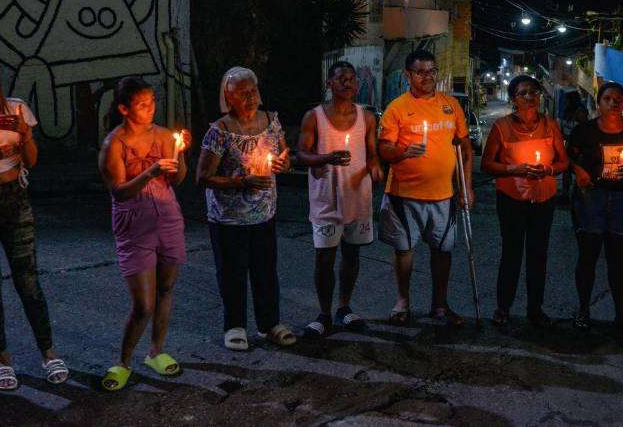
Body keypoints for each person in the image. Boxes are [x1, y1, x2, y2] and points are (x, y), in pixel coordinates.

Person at [0, 44, 68, 391]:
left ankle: (48, 353)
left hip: (15, 199)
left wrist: (24, 134)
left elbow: (32, 160)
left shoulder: (15, 108)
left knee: (28, 280)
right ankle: (2, 359)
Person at [98, 77, 191, 391]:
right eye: (142, 104)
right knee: (144, 305)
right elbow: (119, 192)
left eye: (151, 102)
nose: (150, 108)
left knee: (166, 289)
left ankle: (156, 351)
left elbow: (177, 179)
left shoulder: (163, 135)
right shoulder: (114, 144)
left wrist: (180, 152)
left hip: (168, 219)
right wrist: (150, 172)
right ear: (124, 109)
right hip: (134, 224)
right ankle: (123, 361)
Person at [196, 66, 296, 351]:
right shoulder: (220, 131)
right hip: (229, 218)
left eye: (253, 91)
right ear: (229, 97)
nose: (251, 98)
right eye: (242, 93)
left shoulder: (271, 121)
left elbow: (284, 155)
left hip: (264, 213)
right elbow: (203, 178)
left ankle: (270, 324)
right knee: (232, 273)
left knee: (265, 271)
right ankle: (235, 326)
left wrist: (283, 164)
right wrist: (242, 181)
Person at [378, 49, 473, 327]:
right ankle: (402, 302)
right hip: (404, 194)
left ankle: (440, 305)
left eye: (431, 71)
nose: (427, 77)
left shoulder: (450, 105)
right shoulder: (397, 108)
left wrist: (466, 186)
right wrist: (403, 151)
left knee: (442, 250)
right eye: (420, 72)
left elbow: (465, 148)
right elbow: (384, 149)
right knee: (404, 250)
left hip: (443, 195)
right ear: (408, 75)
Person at [297, 61, 383, 337]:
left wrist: (375, 167)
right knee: (325, 257)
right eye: (341, 79)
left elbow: (372, 153)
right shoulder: (314, 117)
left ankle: (344, 307)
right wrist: (326, 158)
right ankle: (324, 313)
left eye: (351, 79)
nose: (347, 83)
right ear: (330, 83)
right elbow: (302, 155)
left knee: (352, 253)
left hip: (357, 197)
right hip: (326, 199)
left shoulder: (367, 117)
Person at [567, 82, 623, 332]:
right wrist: (579, 172)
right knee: (588, 256)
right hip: (591, 198)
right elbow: (567, 156)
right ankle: (583, 311)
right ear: (599, 102)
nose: (613, 103)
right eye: (607, 98)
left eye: (618, 99)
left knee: (618, 259)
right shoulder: (585, 131)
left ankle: (621, 315)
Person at [481, 75, 568, 328]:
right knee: (512, 253)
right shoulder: (502, 127)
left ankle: (535, 308)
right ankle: (503, 307)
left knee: (538, 255)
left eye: (534, 92)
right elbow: (487, 164)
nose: (530, 97)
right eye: (523, 93)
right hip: (512, 200)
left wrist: (549, 170)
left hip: (544, 198)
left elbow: (563, 161)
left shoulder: (551, 125)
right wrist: (515, 169)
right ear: (513, 99)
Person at [558, 90, 588, 204]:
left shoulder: (580, 111)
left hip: (579, 147)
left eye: (567, 99)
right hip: (569, 146)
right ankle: (566, 194)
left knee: (577, 169)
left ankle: (579, 195)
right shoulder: (567, 112)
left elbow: (584, 129)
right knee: (566, 170)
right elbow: (563, 130)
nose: (565, 101)